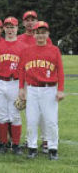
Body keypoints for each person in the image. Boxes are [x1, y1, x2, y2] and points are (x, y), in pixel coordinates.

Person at [18, 21, 64, 160]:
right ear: (34, 34)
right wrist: (21, 88)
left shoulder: (54, 50)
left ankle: (53, 148)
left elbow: (60, 71)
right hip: (32, 89)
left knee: (51, 120)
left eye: (43, 32)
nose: (40, 35)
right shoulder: (27, 51)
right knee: (32, 120)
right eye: (38, 33)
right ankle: (32, 147)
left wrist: (60, 89)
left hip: (49, 89)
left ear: (48, 34)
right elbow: (21, 70)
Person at [0, 17, 26, 155]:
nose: (10, 30)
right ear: (4, 28)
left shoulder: (23, 46)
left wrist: (23, 88)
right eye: (8, 27)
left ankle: (16, 144)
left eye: (13, 27)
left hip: (15, 82)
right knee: (1, 115)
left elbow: (25, 69)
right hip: (0, 81)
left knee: (15, 115)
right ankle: (3, 143)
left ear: (17, 28)